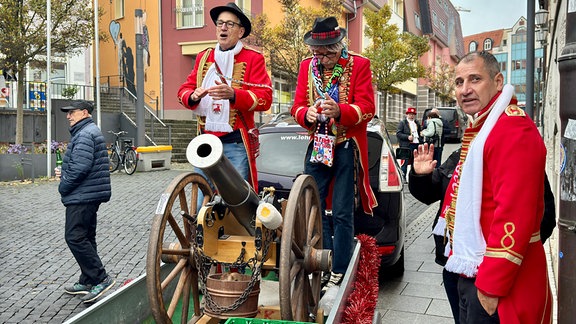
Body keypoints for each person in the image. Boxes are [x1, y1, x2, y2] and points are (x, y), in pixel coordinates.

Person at [416, 51, 552, 323]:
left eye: (475, 79)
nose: (464, 90)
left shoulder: (512, 128)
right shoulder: (485, 127)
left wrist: (491, 287)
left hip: (497, 282)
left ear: (498, 82)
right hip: (471, 270)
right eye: (458, 82)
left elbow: (515, 214)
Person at [409, 145, 556, 324]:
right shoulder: (461, 154)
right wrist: (421, 176)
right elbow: (430, 193)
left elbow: (544, 218)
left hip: (491, 274)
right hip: (455, 266)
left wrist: (504, 260)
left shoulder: (514, 155)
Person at [290, 16, 377, 294]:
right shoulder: (306, 67)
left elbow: (367, 108)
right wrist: (308, 114)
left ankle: (339, 269)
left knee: (341, 211)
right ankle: (318, 263)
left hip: (344, 143)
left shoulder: (359, 64)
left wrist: (341, 111)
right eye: (316, 52)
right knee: (311, 207)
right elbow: (296, 108)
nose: (321, 58)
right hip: (318, 144)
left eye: (326, 52)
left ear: (340, 46)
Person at [177, 2, 272, 194]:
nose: (223, 27)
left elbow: (265, 98)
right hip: (206, 142)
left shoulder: (253, 58)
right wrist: (193, 96)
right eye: (220, 23)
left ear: (241, 31)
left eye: (229, 24)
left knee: (235, 200)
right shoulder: (204, 56)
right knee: (202, 197)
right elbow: (184, 90)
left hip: (235, 143)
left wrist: (234, 94)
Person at [56, 100, 115, 304]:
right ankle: (88, 279)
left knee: (75, 237)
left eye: (71, 112)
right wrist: (65, 172)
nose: (68, 116)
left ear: (84, 112)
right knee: (86, 236)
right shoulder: (88, 131)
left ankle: (100, 277)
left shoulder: (84, 134)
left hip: (83, 195)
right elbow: (81, 165)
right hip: (89, 193)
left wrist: (63, 183)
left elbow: (80, 168)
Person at [396, 107, 421, 176]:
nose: (411, 115)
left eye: (413, 114)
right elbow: (398, 133)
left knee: (414, 163)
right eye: (410, 114)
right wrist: (407, 137)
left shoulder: (417, 123)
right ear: (407, 114)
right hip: (406, 146)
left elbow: (419, 133)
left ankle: (413, 177)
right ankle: (403, 177)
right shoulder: (402, 123)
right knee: (405, 163)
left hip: (416, 145)